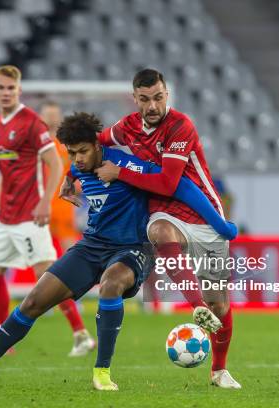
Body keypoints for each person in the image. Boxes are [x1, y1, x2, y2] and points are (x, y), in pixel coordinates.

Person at [0, 112, 236, 391]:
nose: (77, 159)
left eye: (82, 151)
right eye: (72, 153)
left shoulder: (124, 164)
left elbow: (179, 187)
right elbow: (75, 167)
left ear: (97, 144)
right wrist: (68, 176)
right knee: (34, 301)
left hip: (132, 250)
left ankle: (102, 372)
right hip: (92, 245)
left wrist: (222, 225)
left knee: (111, 284)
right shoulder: (80, 168)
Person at [91, 68, 241, 389]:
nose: (152, 106)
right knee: (160, 232)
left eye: (158, 98)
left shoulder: (180, 126)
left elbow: (167, 182)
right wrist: (71, 172)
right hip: (165, 214)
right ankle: (196, 306)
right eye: (145, 100)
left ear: (166, 95)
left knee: (220, 303)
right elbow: (95, 142)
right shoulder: (127, 127)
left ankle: (219, 370)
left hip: (204, 217)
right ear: (135, 99)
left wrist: (120, 172)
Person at [0, 65, 94, 358]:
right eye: (0, 87)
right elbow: (6, 173)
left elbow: (55, 165)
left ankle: (81, 334)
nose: (5, 92)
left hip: (29, 215)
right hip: (6, 216)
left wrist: (43, 201)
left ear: (18, 90)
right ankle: (4, 342)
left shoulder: (30, 122)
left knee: (48, 280)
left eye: (10, 88)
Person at [39, 100, 81, 254]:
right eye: (48, 115)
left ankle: (76, 277)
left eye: (54, 115)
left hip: (62, 205)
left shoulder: (69, 145)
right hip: (38, 205)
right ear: (41, 117)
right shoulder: (33, 144)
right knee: (39, 252)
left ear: (60, 118)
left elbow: (83, 172)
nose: (51, 119)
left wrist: (76, 187)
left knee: (70, 249)